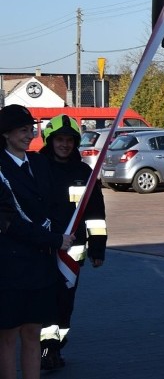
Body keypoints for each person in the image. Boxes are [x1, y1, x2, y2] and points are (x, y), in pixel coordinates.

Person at [0, 104, 74, 379]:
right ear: (6, 134)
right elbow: (11, 224)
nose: (28, 135)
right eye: (22, 130)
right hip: (9, 266)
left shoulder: (39, 163)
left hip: (39, 265)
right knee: (7, 336)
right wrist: (55, 239)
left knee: (33, 332)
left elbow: (55, 200)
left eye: (30, 129)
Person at [38, 114, 108, 370]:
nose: (64, 144)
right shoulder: (36, 167)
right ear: (50, 140)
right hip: (42, 249)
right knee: (44, 300)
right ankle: (47, 349)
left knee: (64, 304)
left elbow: (96, 215)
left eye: (69, 140)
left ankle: (57, 344)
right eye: (59, 139)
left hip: (72, 253)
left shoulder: (83, 172)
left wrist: (98, 248)